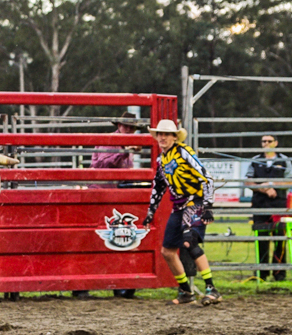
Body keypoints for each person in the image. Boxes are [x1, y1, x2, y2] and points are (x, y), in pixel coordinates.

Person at [142, 119, 222, 306]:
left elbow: (206, 178)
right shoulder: (161, 160)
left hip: (195, 201)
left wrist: (208, 206)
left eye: (166, 134)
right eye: (159, 134)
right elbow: (159, 186)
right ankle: (186, 291)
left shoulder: (184, 153)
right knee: (167, 251)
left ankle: (212, 289)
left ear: (174, 137)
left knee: (189, 241)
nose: (162, 137)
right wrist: (151, 211)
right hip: (179, 206)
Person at [73, 113, 144, 299]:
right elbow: (104, 164)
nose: (128, 130)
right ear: (119, 126)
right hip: (100, 193)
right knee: (95, 238)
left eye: (131, 128)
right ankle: (82, 284)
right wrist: (124, 150)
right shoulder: (110, 141)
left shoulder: (124, 145)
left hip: (115, 195)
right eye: (126, 126)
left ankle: (117, 283)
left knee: (115, 238)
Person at [245, 134, 292, 281]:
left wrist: (273, 185)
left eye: (269, 141)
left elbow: (290, 181)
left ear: (276, 143)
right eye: (263, 141)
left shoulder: (284, 160)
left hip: (279, 205)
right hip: (259, 205)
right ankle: (262, 273)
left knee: (280, 238)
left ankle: (279, 273)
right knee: (261, 238)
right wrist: (264, 188)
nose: (266, 143)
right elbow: (248, 182)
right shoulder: (256, 160)